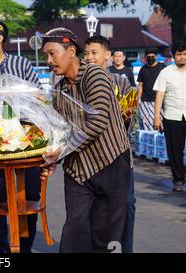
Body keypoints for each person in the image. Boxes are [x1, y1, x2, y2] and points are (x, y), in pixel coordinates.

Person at [42, 28, 131, 252]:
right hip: (78, 171)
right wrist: (52, 160)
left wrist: (62, 151)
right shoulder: (59, 90)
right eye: (46, 55)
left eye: (52, 54)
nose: (49, 60)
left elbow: (98, 120)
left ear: (71, 51)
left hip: (110, 162)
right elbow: (60, 131)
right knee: (74, 230)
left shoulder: (95, 75)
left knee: (106, 235)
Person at [0, 19, 42, 253]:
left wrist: (12, 96)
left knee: (30, 196)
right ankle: (3, 250)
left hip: (25, 142)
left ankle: (25, 246)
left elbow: (39, 96)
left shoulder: (20, 64)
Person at [84, 35, 136, 253]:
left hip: (119, 156)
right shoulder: (79, 84)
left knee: (127, 206)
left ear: (108, 56)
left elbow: (129, 120)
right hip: (89, 159)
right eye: (85, 53)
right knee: (93, 210)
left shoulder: (121, 82)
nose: (89, 58)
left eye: (94, 53)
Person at [153, 41, 186, 193]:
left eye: (185, 54)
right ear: (173, 56)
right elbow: (160, 94)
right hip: (172, 116)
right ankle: (178, 179)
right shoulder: (166, 72)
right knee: (175, 151)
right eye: (179, 54)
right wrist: (157, 116)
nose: (182, 57)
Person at [136, 48, 166, 130]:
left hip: (159, 101)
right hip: (145, 101)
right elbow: (140, 85)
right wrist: (138, 100)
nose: (151, 58)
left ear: (156, 56)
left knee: (160, 124)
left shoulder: (162, 67)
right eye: (148, 56)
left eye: (152, 56)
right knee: (146, 124)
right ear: (145, 58)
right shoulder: (143, 69)